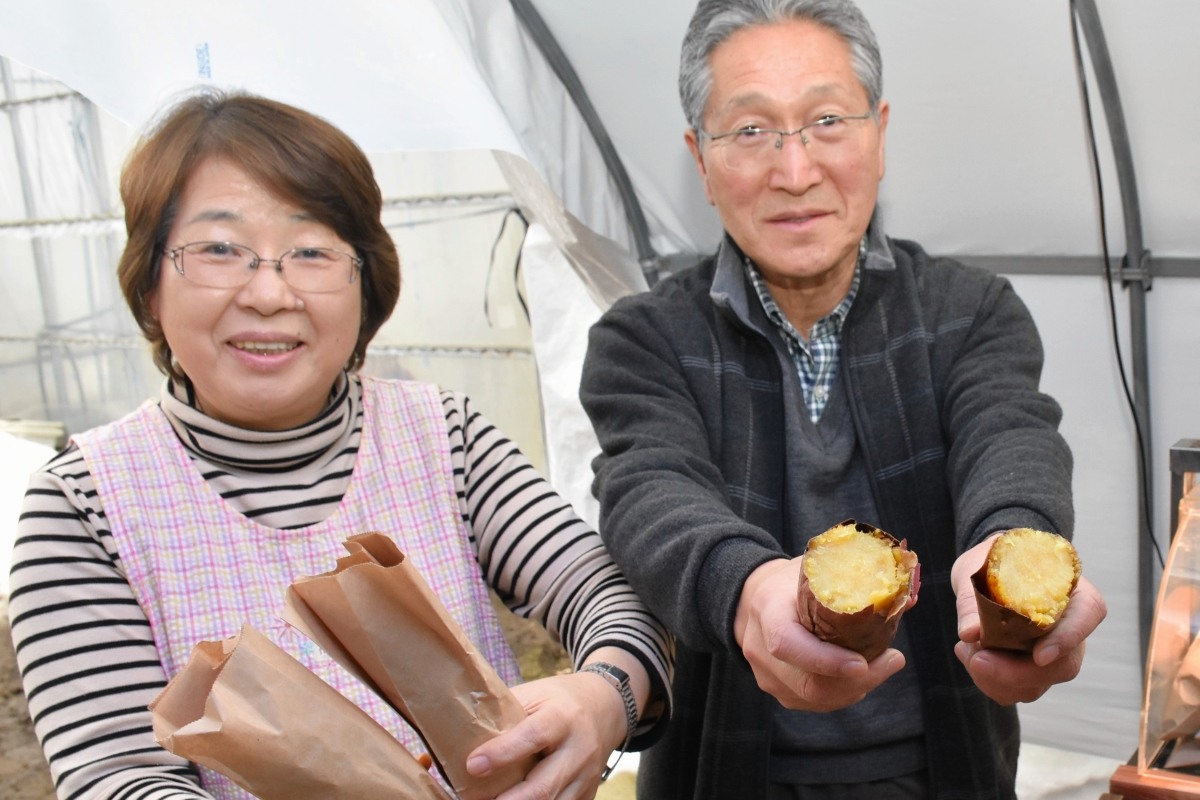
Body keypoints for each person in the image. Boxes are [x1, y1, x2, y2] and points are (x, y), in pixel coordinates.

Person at [8, 89, 672, 800]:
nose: (269, 294)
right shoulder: (82, 507)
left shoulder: (442, 436)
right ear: (149, 286)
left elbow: (605, 593)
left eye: (311, 251)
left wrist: (605, 693)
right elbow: (117, 777)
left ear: (366, 283)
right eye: (220, 249)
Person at [578, 1, 1107, 798]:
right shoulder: (645, 338)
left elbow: (1010, 437)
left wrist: (1014, 549)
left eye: (827, 120)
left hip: (946, 772)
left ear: (879, 134)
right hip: (723, 774)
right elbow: (651, 492)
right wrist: (748, 590)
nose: (795, 172)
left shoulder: (969, 311)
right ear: (701, 159)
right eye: (750, 130)